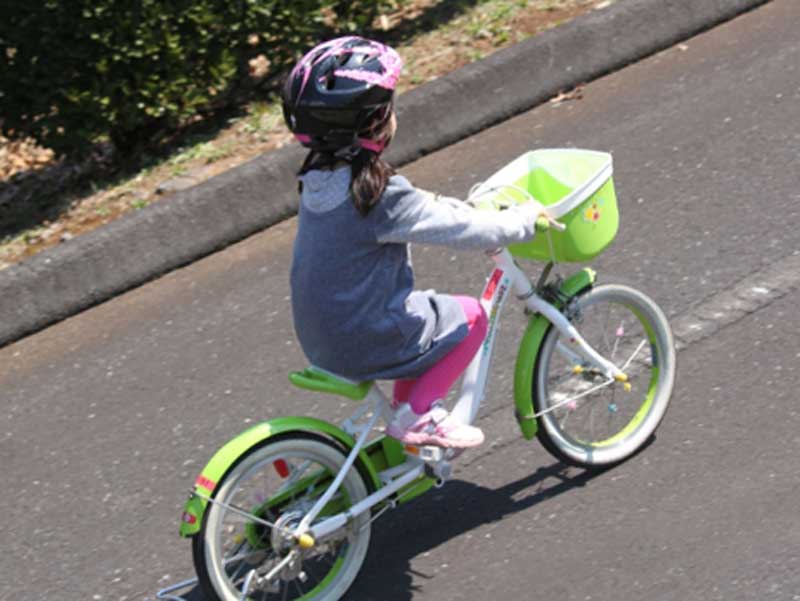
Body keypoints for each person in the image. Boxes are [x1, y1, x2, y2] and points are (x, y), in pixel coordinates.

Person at [283, 36, 545, 449]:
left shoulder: (315, 180)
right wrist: (521, 222)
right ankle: (419, 416)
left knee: (421, 318)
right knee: (472, 316)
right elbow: (466, 229)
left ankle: (409, 423)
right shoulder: (376, 195)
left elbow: (424, 210)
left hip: (320, 338)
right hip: (364, 337)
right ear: (371, 122)